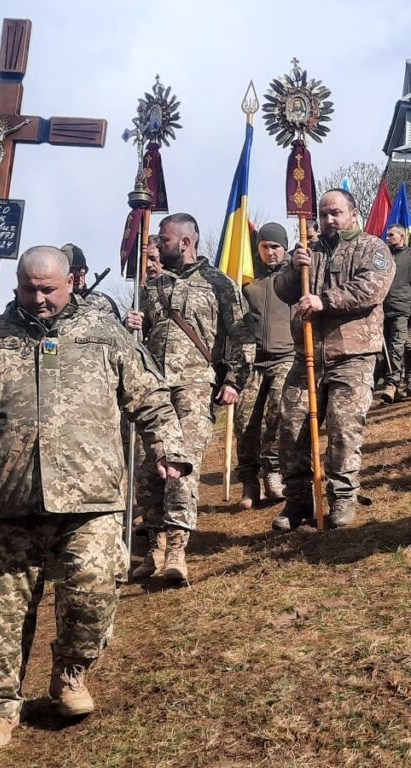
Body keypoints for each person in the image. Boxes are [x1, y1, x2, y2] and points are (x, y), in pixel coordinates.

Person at [0, 246, 190, 754]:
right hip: (13, 500)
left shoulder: (104, 332)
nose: (40, 298)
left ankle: (71, 673)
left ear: (71, 282)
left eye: (49, 288)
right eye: (30, 288)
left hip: (90, 496)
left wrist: (169, 449)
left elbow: (150, 397)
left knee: (92, 594)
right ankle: (2, 705)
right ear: (17, 287)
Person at [125, 213, 254, 582]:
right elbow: (137, 340)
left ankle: (177, 552)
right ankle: (153, 549)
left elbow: (243, 336)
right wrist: (132, 325)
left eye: (163, 240)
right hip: (153, 390)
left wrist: (234, 379)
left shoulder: (220, 284)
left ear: (185, 242)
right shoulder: (151, 287)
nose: (156, 246)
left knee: (181, 466)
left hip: (195, 388)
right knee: (149, 470)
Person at [273, 189, 394, 531]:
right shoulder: (308, 251)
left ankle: (342, 496)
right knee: (291, 427)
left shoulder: (374, 249)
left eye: (335, 213)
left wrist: (324, 300)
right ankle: (297, 502)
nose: (328, 220)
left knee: (343, 428)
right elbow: (283, 291)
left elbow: (371, 289)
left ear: (353, 214)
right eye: (323, 214)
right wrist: (296, 270)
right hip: (308, 354)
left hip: (352, 355)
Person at [234, 223, 295, 509]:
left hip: (285, 357)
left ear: (284, 248)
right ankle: (249, 480)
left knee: (276, 415)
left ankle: (273, 472)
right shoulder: (247, 280)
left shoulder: (296, 277)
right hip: (252, 361)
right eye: (264, 246)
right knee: (245, 421)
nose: (270, 252)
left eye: (275, 247)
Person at [377, 224, 411, 404]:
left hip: (402, 309)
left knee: (396, 347)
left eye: (391, 235)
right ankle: (399, 385)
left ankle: (392, 384)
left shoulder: (409, 257)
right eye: (386, 235)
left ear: (401, 237)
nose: (387, 238)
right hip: (383, 310)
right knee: (387, 349)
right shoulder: (384, 256)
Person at [60, 242, 121, 319]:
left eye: (82, 269)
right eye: (72, 270)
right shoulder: (48, 302)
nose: (78, 275)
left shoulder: (103, 302)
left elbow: (118, 328)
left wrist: (127, 326)